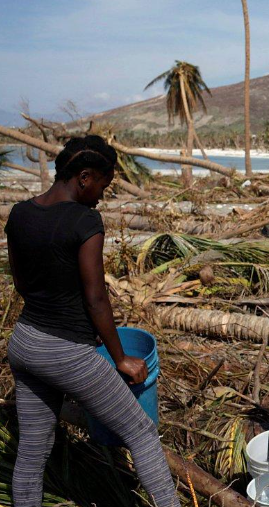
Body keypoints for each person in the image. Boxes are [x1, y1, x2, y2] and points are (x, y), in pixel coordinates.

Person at [4, 136, 179, 507]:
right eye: (103, 184)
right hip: (66, 352)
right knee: (142, 433)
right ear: (84, 177)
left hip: (25, 343)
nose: (102, 195)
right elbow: (96, 298)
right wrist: (120, 358)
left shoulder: (20, 213)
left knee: (33, 452)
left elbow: (20, 282)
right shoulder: (85, 221)